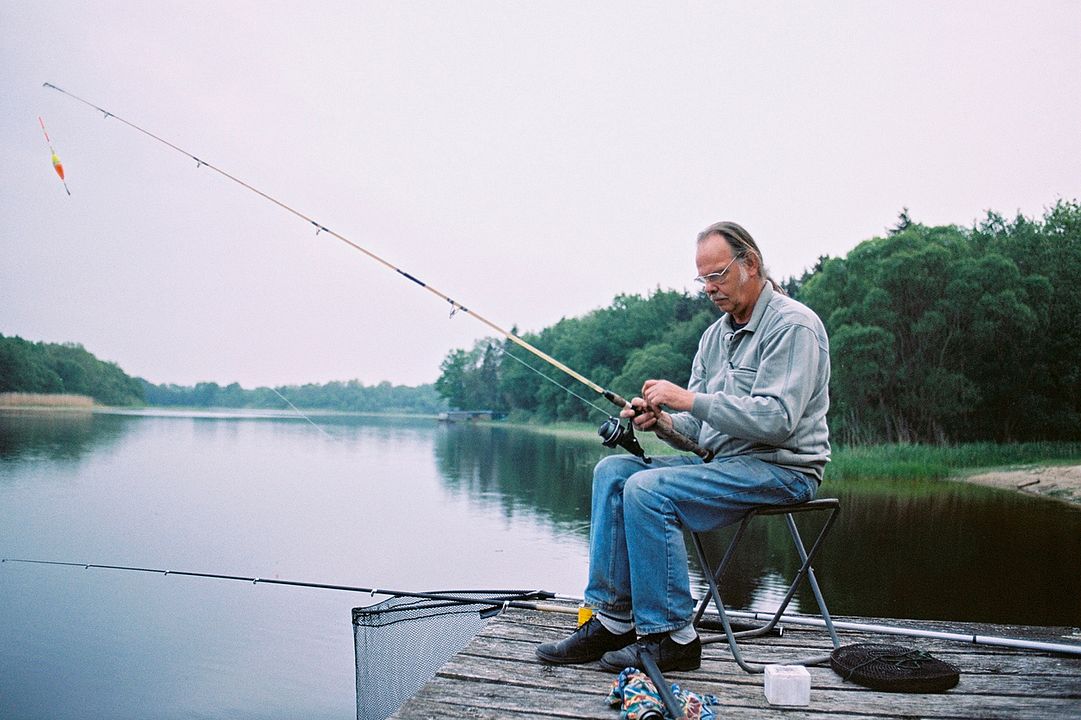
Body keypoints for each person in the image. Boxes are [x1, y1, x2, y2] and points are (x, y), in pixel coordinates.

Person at [535, 221, 831, 673]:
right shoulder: (714, 337)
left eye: (717, 275)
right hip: (727, 464)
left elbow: (777, 420)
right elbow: (699, 431)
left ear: (749, 263)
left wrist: (688, 399)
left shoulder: (795, 326)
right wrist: (665, 422)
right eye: (703, 279)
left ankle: (673, 636)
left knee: (649, 490)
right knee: (613, 472)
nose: (709, 288)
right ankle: (613, 620)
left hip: (784, 470)